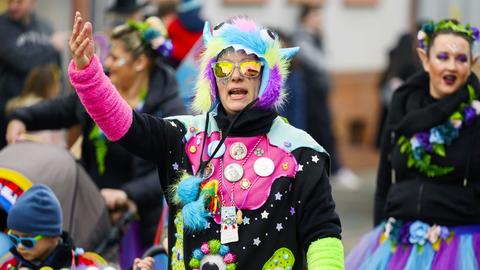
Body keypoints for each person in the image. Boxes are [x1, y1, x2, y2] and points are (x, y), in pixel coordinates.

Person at [69, 12, 344, 269]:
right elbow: (126, 126)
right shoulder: (184, 135)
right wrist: (89, 74)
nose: (235, 75)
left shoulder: (300, 151)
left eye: (249, 68)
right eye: (224, 67)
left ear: (266, 77)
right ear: (213, 77)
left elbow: (322, 233)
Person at [5, 15, 185, 266]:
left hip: (138, 218)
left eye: (115, 57)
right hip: (92, 211)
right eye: (108, 56)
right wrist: (21, 118)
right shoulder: (100, 94)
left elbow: (174, 170)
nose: (108, 64)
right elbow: (60, 110)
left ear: (140, 62)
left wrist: (125, 193)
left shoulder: (168, 109)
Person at [346, 19, 480, 269]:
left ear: (471, 63)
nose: (451, 66)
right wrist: (379, 234)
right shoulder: (403, 102)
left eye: (461, 59)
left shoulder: (476, 112)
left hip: (460, 245)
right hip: (400, 244)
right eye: (442, 56)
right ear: (426, 59)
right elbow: (385, 178)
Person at [292, 4, 360, 189]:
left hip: (318, 92)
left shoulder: (315, 36)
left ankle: (331, 168)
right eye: (316, 15)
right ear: (305, 18)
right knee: (317, 130)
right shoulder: (301, 38)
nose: (319, 20)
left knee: (325, 128)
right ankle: (327, 169)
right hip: (308, 94)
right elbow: (318, 62)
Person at [0, 0, 67, 149]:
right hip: (11, 110)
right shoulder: (2, 26)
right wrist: (51, 46)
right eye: (10, 1)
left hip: (43, 112)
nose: (13, 6)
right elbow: (21, 61)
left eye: (19, 1)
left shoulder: (45, 27)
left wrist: (59, 95)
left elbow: (55, 69)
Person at [0, 184, 108, 269]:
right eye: (14, 238)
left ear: (53, 236)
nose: (19, 246)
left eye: (27, 241)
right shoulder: (10, 264)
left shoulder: (84, 265)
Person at [375, 32, 422, 148]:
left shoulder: (392, 53)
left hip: (387, 91)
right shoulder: (411, 58)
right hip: (401, 94)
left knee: (384, 118)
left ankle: (379, 142)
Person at [5, 64, 66, 146]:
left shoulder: (16, 106)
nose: (59, 87)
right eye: (57, 83)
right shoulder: (47, 110)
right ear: (49, 86)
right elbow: (53, 143)